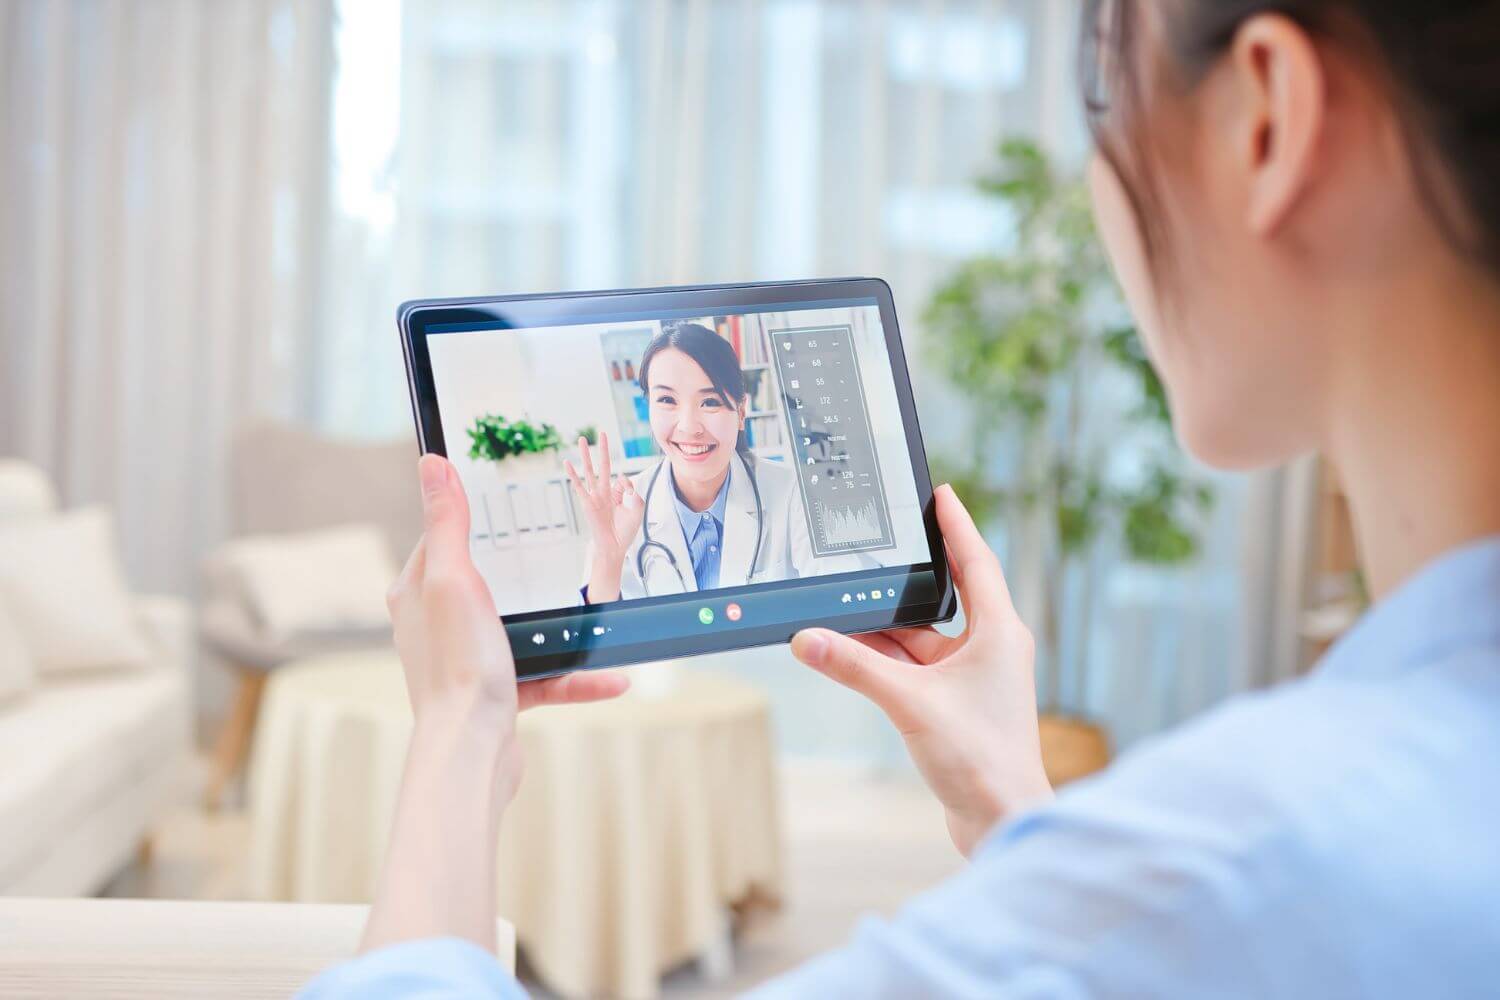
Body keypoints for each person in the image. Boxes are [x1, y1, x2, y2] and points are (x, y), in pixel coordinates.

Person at [303, 1, 1500, 996]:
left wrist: (462, 729)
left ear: (1267, 123)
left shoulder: (1241, 865)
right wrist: (1018, 814)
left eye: (1099, 84)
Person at [566, 323, 843, 603]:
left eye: (710, 401)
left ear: (741, 410)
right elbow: (592, 640)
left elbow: (842, 598)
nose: (689, 427)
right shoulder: (622, 507)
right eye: (666, 400)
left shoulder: (795, 491)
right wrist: (608, 555)